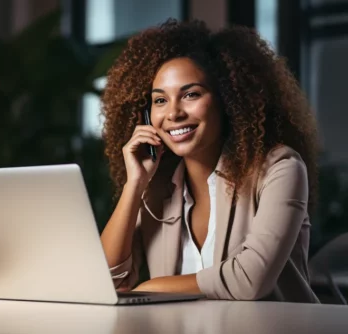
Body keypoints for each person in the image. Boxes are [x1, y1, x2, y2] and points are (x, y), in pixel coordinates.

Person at [99, 20, 319, 302]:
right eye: (160, 100)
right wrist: (135, 185)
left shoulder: (281, 169)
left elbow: (248, 281)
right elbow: (106, 281)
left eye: (191, 95)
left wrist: (150, 288)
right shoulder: (157, 188)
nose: (174, 113)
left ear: (227, 100)